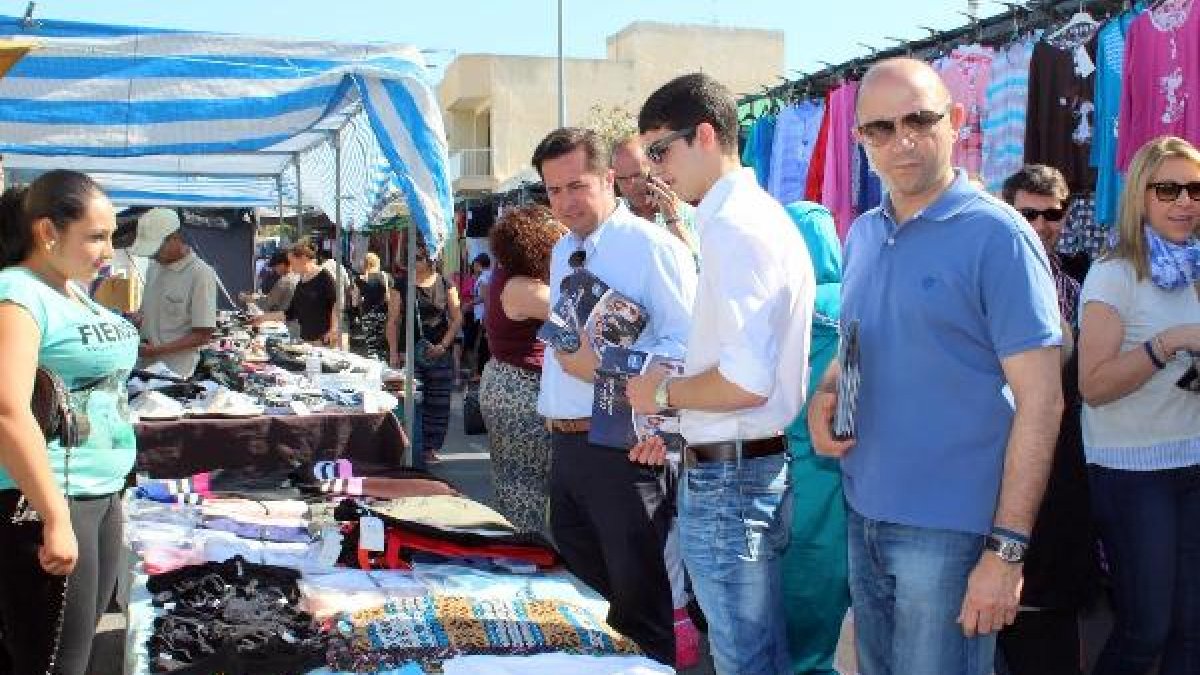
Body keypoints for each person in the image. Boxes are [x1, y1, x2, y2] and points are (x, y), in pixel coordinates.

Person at [807, 58, 1064, 674]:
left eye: (919, 120)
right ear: (861, 140)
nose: (903, 141)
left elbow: (1043, 401)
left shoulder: (999, 236)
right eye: (881, 129)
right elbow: (857, 346)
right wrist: (825, 396)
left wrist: (1006, 552)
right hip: (864, 513)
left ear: (955, 119)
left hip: (950, 532)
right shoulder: (864, 234)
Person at [626, 72, 815, 674]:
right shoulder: (747, 219)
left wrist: (659, 390)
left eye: (660, 151)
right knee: (755, 652)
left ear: (704, 135)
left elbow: (743, 380)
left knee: (744, 658)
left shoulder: (736, 226)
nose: (655, 170)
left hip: (733, 476)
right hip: (745, 467)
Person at [533, 126, 696, 666]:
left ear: (609, 179)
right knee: (585, 604)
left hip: (624, 449)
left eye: (576, 185)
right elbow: (564, 338)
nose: (566, 201)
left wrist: (603, 367)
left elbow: (685, 345)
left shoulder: (653, 248)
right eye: (554, 190)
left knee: (637, 605)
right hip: (565, 445)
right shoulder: (563, 250)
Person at [0, 171, 138, 675]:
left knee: (71, 652)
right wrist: (54, 516)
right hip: (49, 496)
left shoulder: (70, 290)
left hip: (98, 491)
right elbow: (7, 409)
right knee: (57, 663)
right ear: (47, 232)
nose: (108, 250)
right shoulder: (17, 292)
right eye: (96, 236)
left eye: (111, 235)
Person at [1077, 135, 1200, 675]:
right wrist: (1168, 343)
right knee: (1144, 629)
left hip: (1194, 464)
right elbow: (1094, 385)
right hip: (1133, 472)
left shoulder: (1197, 267)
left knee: (1192, 631)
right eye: (1167, 188)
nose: (1184, 202)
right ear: (1140, 197)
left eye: (1195, 189)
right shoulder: (1114, 273)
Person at [997, 165, 1101, 675]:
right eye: (1028, 214)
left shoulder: (1079, 283)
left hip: (1062, 455)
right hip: (997, 452)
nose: (1041, 225)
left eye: (1052, 214)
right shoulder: (993, 277)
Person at [778, 200, 853, 675]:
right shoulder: (857, 297)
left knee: (796, 596)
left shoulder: (788, 302)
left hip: (793, 468)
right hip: (853, 473)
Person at [478, 206, 562, 532]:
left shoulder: (506, 280)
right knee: (524, 491)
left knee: (515, 484)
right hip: (521, 390)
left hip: (508, 384)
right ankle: (523, 562)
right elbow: (581, 316)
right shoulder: (525, 288)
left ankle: (519, 556)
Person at [386, 240, 463, 467]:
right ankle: (413, 446)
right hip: (409, 351)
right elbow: (393, 320)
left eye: (417, 258)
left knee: (438, 403)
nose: (412, 262)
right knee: (411, 401)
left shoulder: (445, 283)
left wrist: (444, 345)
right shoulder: (401, 284)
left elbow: (457, 316)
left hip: (439, 352)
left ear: (430, 259)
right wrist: (393, 352)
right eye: (410, 257)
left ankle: (430, 448)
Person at [128, 208, 218, 378]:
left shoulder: (201, 273)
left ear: (175, 238)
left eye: (156, 250)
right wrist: (139, 319)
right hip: (144, 366)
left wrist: (156, 350)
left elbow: (203, 335)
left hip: (174, 372)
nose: (153, 256)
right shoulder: (154, 266)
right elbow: (148, 310)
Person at [610, 132, 699, 254]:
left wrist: (672, 220)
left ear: (654, 168)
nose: (631, 185)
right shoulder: (612, 217)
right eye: (622, 179)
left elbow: (696, 266)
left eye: (637, 175)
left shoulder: (690, 216)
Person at [250, 242, 338, 346]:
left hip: (324, 341)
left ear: (303, 258)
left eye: (292, 262)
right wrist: (263, 318)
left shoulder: (325, 277)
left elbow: (336, 305)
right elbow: (290, 313)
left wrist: (333, 329)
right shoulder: (301, 282)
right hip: (307, 340)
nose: (290, 266)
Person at [352, 252, 392, 361]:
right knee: (383, 345)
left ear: (365, 264)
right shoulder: (385, 276)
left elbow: (354, 302)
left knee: (371, 347)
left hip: (367, 314)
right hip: (384, 314)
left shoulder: (359, 279)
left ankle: (374, 369)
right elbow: (390, 297)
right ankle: (383, 368)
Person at [467, 253, 492, 382]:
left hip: (482, 315)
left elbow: (482, 297)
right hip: (487, 314)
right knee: (484, 345)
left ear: (479, 264)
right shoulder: (491, 275)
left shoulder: (483, 278)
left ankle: (481, 373)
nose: (473, 267)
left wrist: (469, 304)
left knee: (481, 345)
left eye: (475, 264)